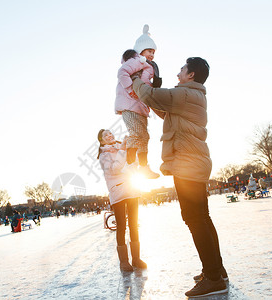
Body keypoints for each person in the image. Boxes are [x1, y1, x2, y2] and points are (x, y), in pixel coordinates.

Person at [131, 57, 228, 297]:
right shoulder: (191, 96)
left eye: (182, 70)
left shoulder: (185, 95)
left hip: (188, 165)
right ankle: (216, 270)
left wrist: (134, 78)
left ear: (191, 75)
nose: (179, 74)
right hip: (192, 164)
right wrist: (156, 87)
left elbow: (150, 96)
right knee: (202, 218)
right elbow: (164, 110)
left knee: (194, 219)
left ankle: (214, 277)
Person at [114, 24, 162, 179]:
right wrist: (130, 89)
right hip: (130, 104)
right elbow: (122, 72)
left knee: (144, 136)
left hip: (140, 106)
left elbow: (145, 86)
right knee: (136, 134)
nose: (152, 55)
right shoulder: (138, 61)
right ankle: (129, 164)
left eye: (153, 52)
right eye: (149, 51)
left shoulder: (148, 66)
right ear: (141, 50)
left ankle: (143, 166)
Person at [97, 129, 147, 272]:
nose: (109, 135)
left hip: (131, 187)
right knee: (121, 225)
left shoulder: (122, 146)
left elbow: (134, 162)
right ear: (101, 140)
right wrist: (123, 151)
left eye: (110, 133)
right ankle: (124, 261)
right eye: (106, 135)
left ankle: (136, 258)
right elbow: (114, 169)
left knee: (133, 224)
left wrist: (128, 149)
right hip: (117, 191)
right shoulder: (104, 155)